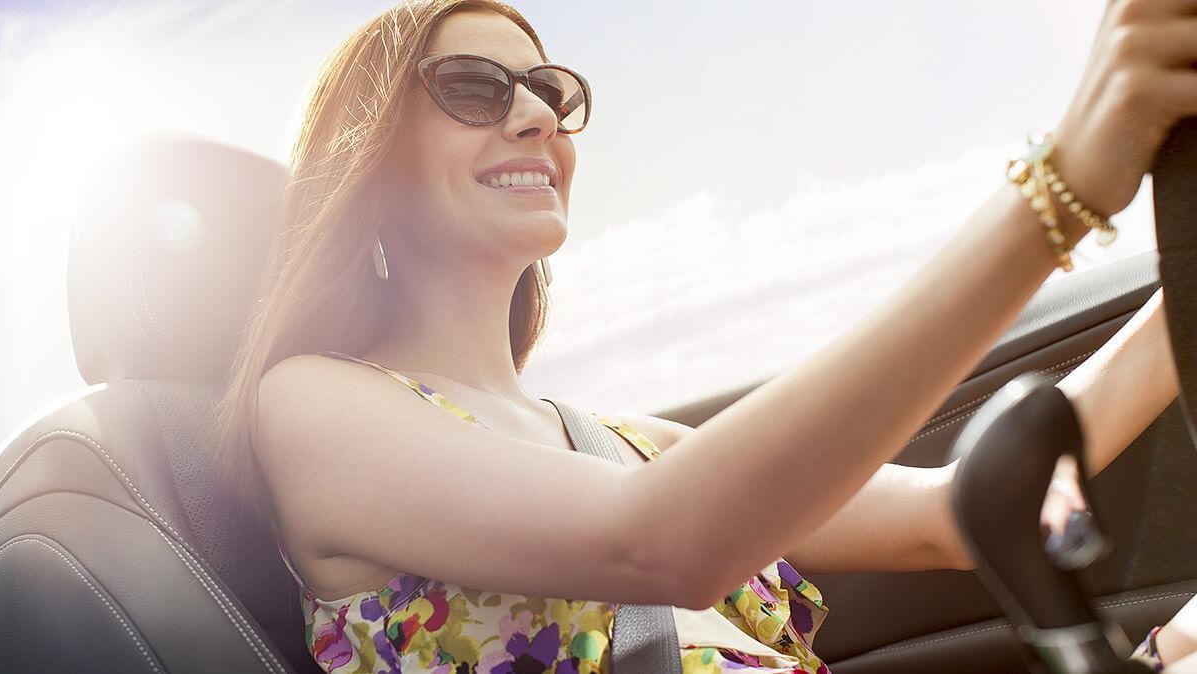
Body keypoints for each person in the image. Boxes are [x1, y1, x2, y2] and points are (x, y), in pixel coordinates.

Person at [208, 0, 1197, 671]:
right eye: (473, 87)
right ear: (364, 155)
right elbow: (660, 541)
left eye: (552, 92)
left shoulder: (625, 443)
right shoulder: (310, 405)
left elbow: (957, 511)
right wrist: (1060, 187)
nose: (534, 117)